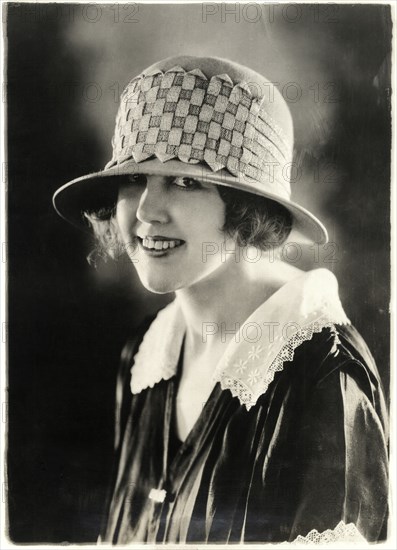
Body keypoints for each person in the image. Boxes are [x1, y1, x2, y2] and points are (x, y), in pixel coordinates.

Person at [52, 56, 388, 544]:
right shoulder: (146, 360)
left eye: (185, 181)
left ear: (248, 208)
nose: (146, 211)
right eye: (134, 179)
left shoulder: (324, 373)